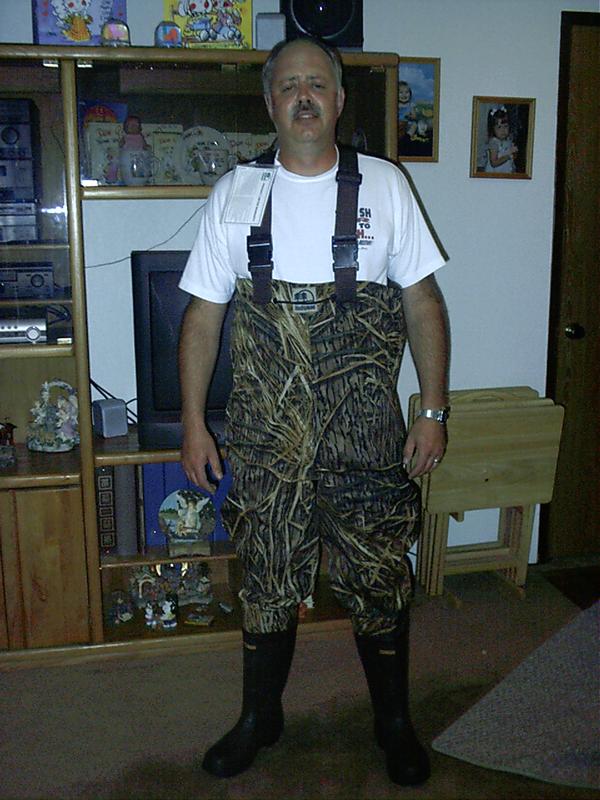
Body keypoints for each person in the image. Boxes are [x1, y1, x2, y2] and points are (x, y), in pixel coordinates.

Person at [178, 36, 450, 787]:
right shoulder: (236, 193)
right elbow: (203, 317)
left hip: (366, 438)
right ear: (270, 103)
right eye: (289, 85)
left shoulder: (386, 186)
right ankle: (258, 717)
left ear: (338, 100)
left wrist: (432, 410)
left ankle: (394, 724)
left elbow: (423, 303)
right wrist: (196, 422)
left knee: (378, 578)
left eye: (318, 84)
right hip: (267, 440)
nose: (304, 96)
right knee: (267, 579)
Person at [484, 106, 518, 173]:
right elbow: (494, 163)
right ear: (493, 129)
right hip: (494, 174)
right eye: (499, 127)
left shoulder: (508, 141)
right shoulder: (494, 143)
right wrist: (508, 155)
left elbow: (512, 158)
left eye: (506, 126)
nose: (503, 130)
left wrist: (513, 154)